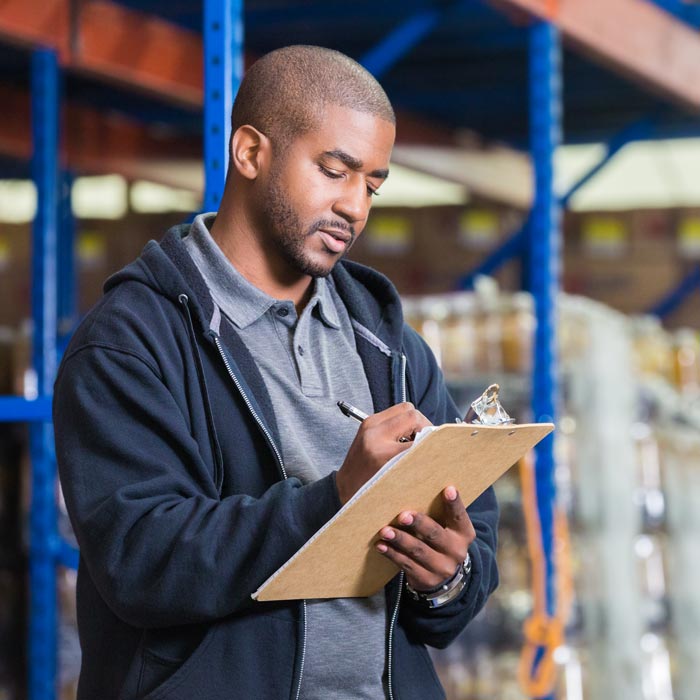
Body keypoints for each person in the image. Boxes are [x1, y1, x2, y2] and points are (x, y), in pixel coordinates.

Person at [54, 45, 499, 700]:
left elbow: (466, 570)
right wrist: (334, 498)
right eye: (334, 170)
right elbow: (141, 562)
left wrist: (447, 577)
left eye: (372, 184)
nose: (355, 207)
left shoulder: (390, 347)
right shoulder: (130, 343)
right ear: (250, 153)